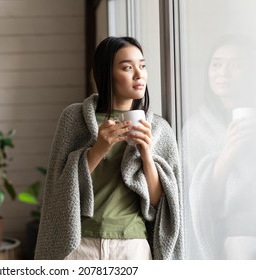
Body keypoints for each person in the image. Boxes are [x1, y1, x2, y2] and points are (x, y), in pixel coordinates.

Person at [35, 36, 184, 260]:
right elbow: (60, 189)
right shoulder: (74, 119)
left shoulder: (158, 128)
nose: (138, 74)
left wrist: (146, 154)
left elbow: (160, 203)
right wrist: (98, 149)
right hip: (80, 243)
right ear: (106, 73)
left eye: (142, 66)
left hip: (132, 246)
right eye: (127, 67)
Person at [182, 34, 256, 259]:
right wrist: (228, 153)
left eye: (236, 65)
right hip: (235, 238)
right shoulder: (197, 129)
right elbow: (196, 197)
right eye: (216, 64)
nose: (223, 72)